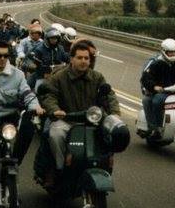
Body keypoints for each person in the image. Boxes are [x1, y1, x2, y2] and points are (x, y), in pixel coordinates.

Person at [39, 41, 120, 187]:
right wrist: (55, 109)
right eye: (79, 58)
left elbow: (110, 95)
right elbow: (49, 95)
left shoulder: (97, 77)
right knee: (54, 134)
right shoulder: (59, 77)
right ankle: (59, 168)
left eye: (86, 58)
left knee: (111, 134)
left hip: (92, 120)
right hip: (66, 119)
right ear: (71, 59)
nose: (83, 61)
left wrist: (115, 114)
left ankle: (104, 166)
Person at [0, 41, 43, 167]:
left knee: (29, 126)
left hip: (10, 117)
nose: (2, 59)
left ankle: (15, 162)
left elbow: (27, 92)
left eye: (6, 56)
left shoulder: (18, 74)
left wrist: (35, 106)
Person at [140, 38, 175, 139]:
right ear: (164, 51)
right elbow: (146, 77)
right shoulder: (156, 63)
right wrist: (154, 86)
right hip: (162, 91)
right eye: (170, 53)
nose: (173, 55)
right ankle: (156, 128)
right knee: (155, 100)